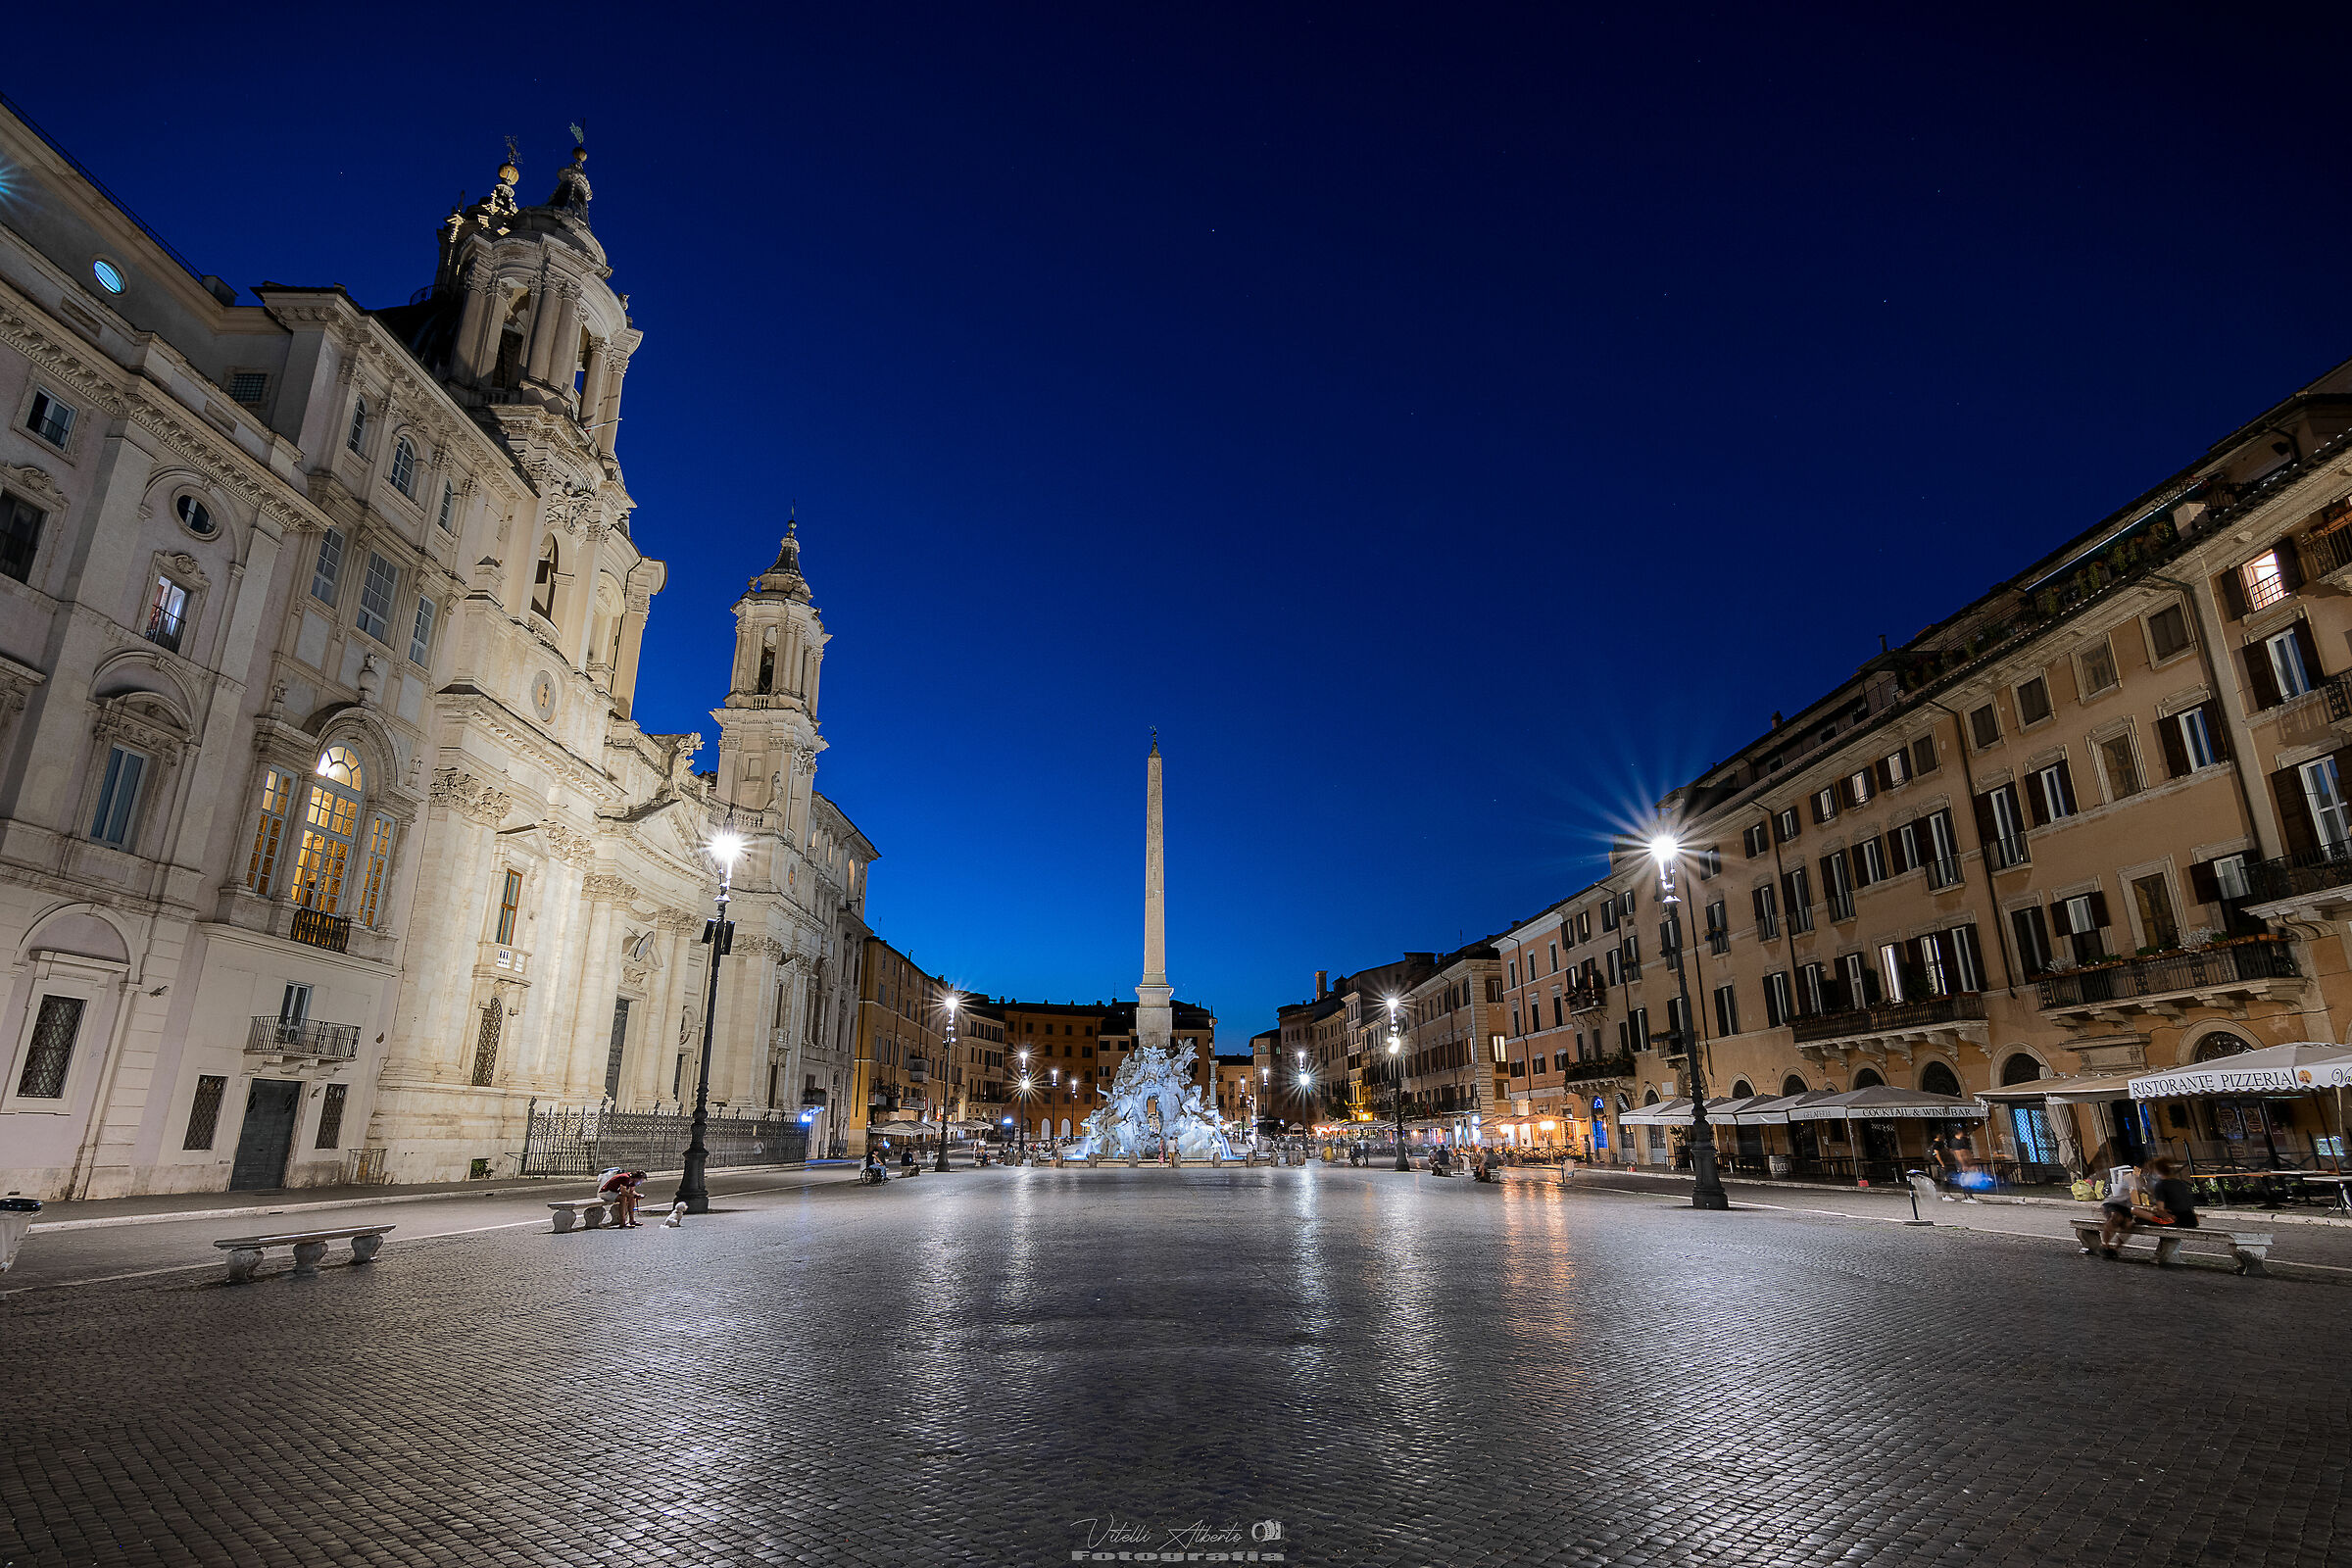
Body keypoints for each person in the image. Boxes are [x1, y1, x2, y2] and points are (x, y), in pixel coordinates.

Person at [2096, 1161, 2148, 1256]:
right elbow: (2135, 1191)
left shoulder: (2146, 1180)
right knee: (2115, 1217)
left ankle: (2116, 1248)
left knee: (2128, 1224)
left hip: (2127, 1207)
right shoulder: (2130, 1178)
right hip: (2114, 1203)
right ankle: (2105, 1244)